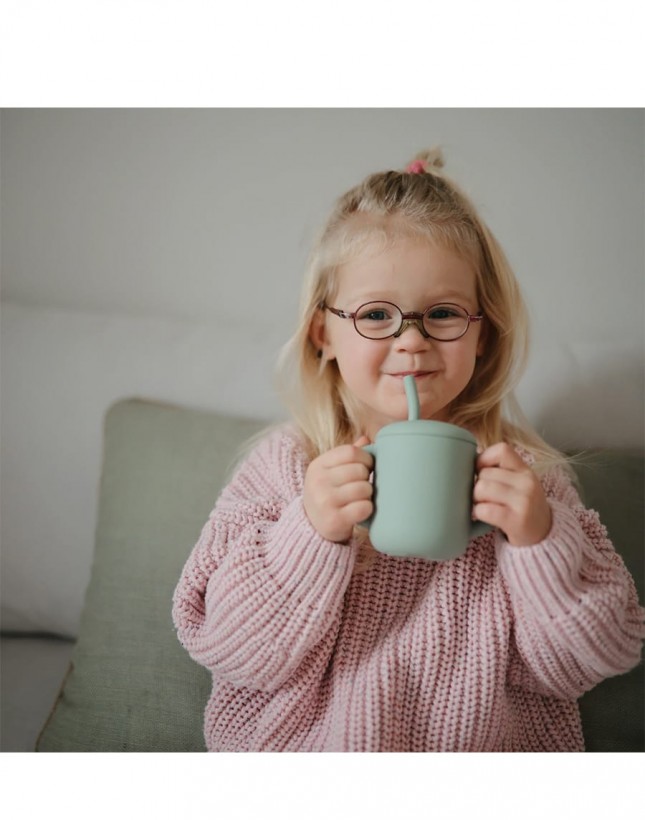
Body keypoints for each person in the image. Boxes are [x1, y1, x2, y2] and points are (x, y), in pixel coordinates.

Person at [172, 149, 644, 751]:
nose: (412, 341)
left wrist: (540, 543)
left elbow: (596, 657)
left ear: (482, 331)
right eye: (376, 315)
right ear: (324, 334)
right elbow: (228, 646)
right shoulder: (289, 467)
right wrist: (308, 534)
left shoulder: (528, 482)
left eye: (443, 313)